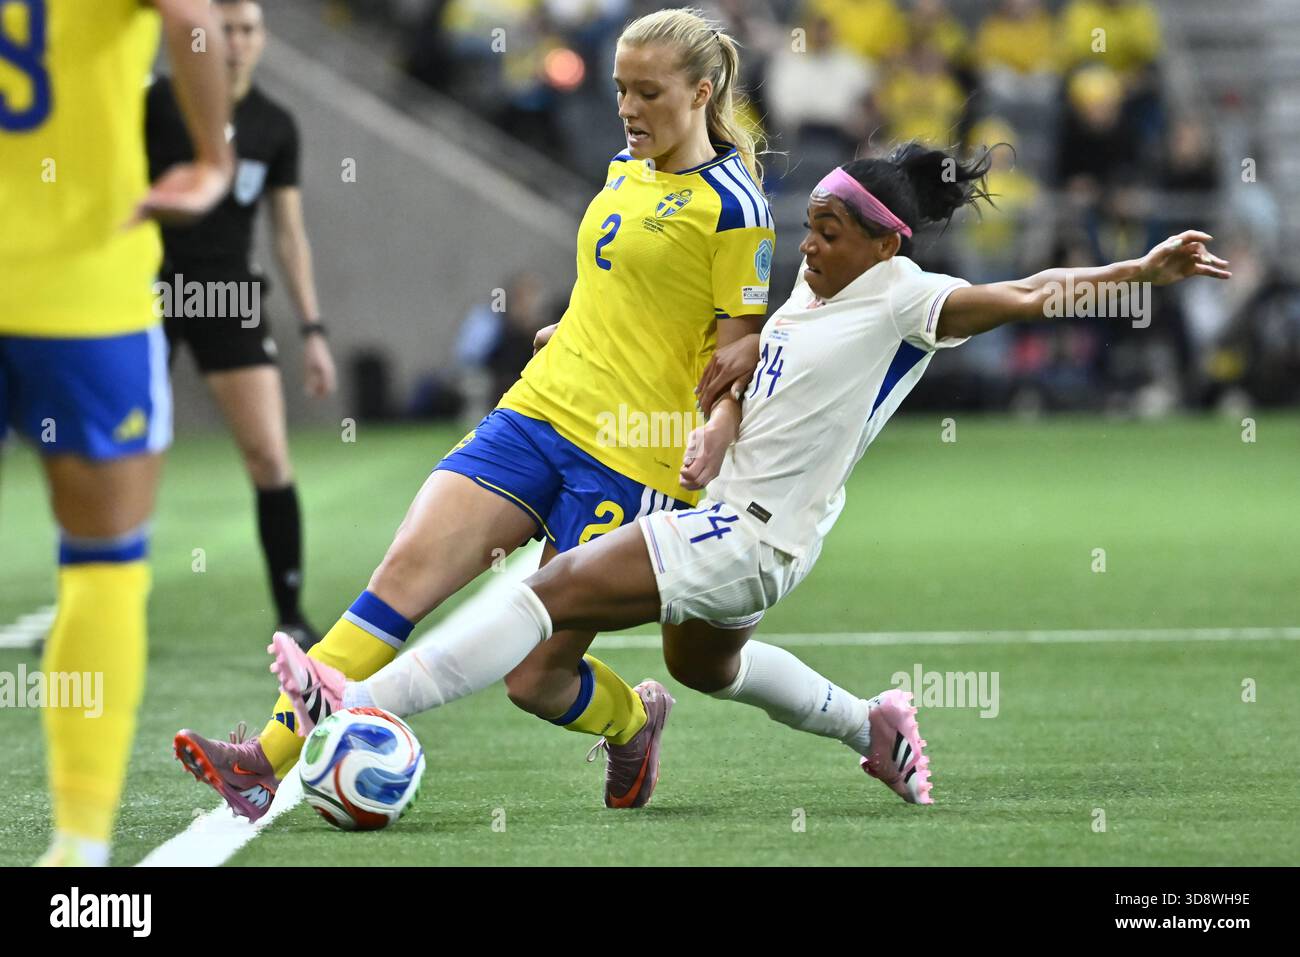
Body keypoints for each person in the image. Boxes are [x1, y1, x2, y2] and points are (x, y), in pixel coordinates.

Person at [269, 144, 1229, 807]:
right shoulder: (809, 297)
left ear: (887, 240)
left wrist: (1140, 271)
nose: (807, 245)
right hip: (746, 529)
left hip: (747, 534)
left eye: (829, 229)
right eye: (806, 223)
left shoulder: (909, 299)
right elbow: (723, 365)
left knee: (550, 587)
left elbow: (1026, 293)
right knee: (702, 668)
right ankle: (874, 727)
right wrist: (637, 365)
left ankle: (359, 700)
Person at [174, 7, 778, 819]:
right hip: (536, 413)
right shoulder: (623, 169)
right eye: (619, 90)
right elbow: (632, 285)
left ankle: (634, 717)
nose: (628, 109)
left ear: (702, 92)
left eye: (648, 93)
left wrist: (720, 426)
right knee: (397, 585)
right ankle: (264, 762)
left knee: (535, 680)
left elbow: (738, 351)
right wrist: (576, 326)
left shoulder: (736, 206)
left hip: (636, 459)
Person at [0, 0, 233, 865]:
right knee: (102, 561)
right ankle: (78, 845)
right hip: (83, 286)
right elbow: (190, 14)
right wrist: (212, 155)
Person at [146, 0, 337, 650]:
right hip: (149, 292)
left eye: (248, 29)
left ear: (261, 38)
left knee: (268, 454)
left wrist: (313, 330)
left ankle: (290, 609)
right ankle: (82, 608)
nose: (235, 41)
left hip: (229, 296)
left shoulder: (274, 124)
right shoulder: (157, 104)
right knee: (115, 455)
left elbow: (288, 233)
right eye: (224, 28)